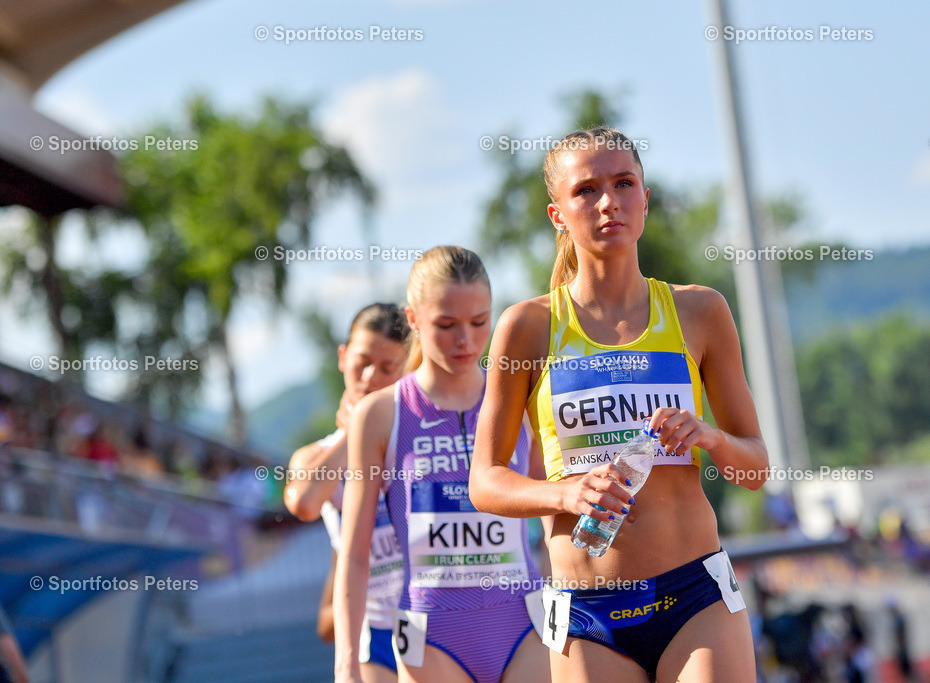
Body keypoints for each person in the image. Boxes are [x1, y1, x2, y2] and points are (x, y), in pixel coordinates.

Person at [469, 127, 768, 682]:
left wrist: (711, 436)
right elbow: (484, 482)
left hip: (694, 597)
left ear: (645, 200)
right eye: (586, 190)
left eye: (624, 183)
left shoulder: (701, 312)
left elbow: (756, 467)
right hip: (587, 614)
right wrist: (564, 492)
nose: (609, 202)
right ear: (558, 214)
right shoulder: (527, 328)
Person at [335, 246, 549, 683]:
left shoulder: (519, 399)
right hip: (432, 636)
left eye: (479, 322)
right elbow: (354, 557)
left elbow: (552, 516)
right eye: (446, 325)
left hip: (524, 624)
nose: (465, 341)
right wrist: (347, 668)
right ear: (412, 319)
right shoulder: (381, 415)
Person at [285, 303, 410, 683]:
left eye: (388, 367)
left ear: (408, 369)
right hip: (374, 632)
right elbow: (305, 502)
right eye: (362, 362)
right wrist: (355, 431)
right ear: (342, 357)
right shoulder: (315, 454)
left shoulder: (421, 440)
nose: (371, 376)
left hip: (433, 618)